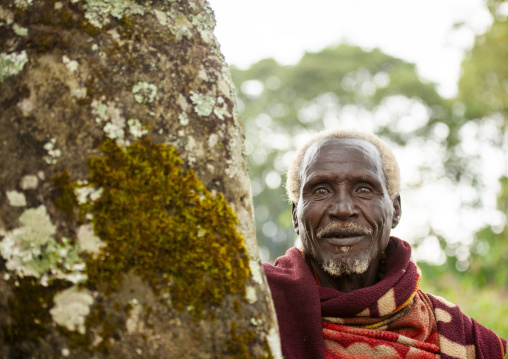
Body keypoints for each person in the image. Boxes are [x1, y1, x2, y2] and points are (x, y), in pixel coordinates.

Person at [263, 129, 507, 359]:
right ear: (296, 216)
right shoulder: (253, 302)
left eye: (364, 189)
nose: (343, 210)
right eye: (321, 191)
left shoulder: (454, 331)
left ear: (395, 210)